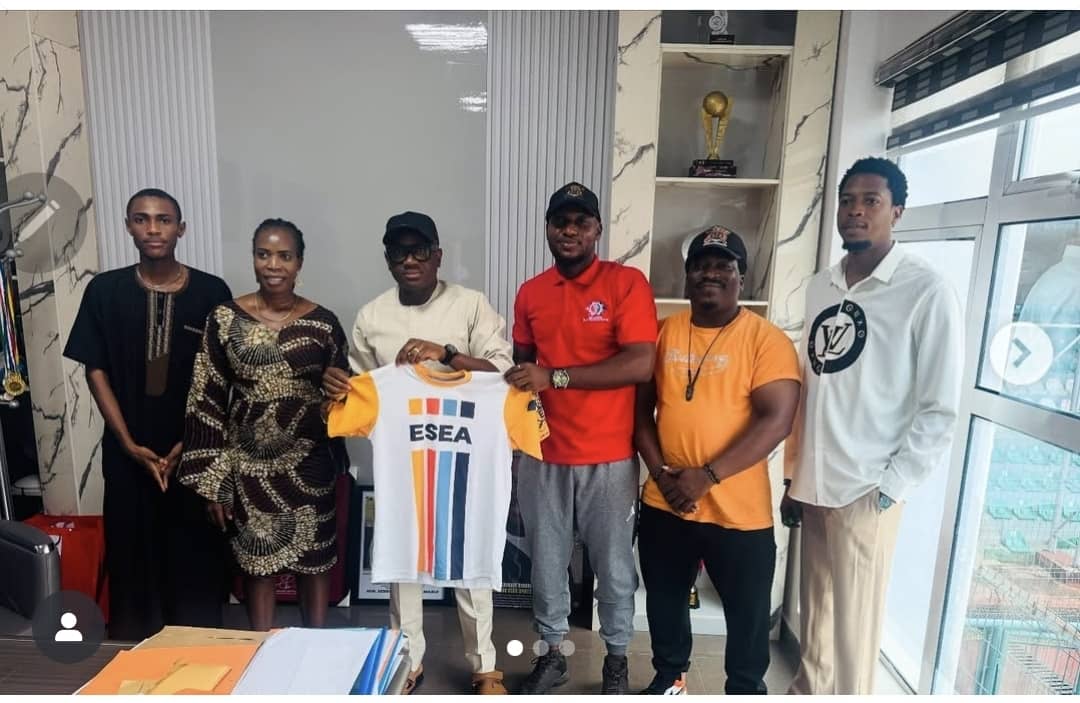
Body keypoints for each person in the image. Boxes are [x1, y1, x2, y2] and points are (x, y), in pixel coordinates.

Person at [782, 157, 963, 694]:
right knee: (815, 624)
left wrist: (890, 488)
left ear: (897, 211)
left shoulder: (925, 290)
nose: (855, 211)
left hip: (866, 487)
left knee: (853, 636)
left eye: (871, 201)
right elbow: (811, 387)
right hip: (815, 482)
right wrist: (794, 476)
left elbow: (940, 407)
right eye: (847, 201)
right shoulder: (821, 286)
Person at [322, 211, 514, 695]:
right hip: (406, 458)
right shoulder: (372, 316)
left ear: (438, 256)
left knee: (469, 553)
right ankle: (407, 660)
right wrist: (337, 388)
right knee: (402, 554)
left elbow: (502, 373)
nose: (409, 260)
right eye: (398, 252)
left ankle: (485, 666)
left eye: (419, 250)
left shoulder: (470, 305)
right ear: (387, 259)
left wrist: (445, 354)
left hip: (465, 454)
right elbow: (362, 390)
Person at [505, 182, 658, 695]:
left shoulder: (625, 283)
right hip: (543, 454)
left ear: (597, 230)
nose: (569, 231)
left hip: (609, 457)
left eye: (580, 222)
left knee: (614, 569)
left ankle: (616, 660)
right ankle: (552, 655)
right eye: (560, 222)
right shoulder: (531, 292)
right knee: (546, 567)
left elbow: (640, 363)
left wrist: (557, 377)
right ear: (548, 228)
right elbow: (523, 369)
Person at [634, 226, 801, 694]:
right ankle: (670, 680)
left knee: (747, 617)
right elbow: (639, 413)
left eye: (723, 265)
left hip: (739, 513)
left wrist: (707, 476)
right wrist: (660, 475)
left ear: (740, 278)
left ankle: (744, 690)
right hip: (666, 502)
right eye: (700, 265)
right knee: (665, 602)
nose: (710, 273)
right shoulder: (663, 332)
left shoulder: (766, 340)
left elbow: (776, 421)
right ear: (687, 277)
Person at [63, 188, 232, 641]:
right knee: (131, 552)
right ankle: (135, 653)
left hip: (193, 451)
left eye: (163, 220)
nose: (153, 229)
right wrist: (127, 443)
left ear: (181, 228)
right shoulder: (105, 291)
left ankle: (202, 651)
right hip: (127, 449)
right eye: (142, 219)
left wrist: (189, 442)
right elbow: (95, 369)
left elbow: (221, 376)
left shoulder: (212, 292)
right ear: (128, 227)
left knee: (194, 554)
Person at [178, 217, 349, 632]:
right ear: (253, 258)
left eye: (284, 256)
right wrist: (215, 479)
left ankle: (314, 646)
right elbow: (205, 399)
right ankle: (261, 653)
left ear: (300, 262)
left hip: (310, 465)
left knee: (315, 562)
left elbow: (345, 397)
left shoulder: (323, 323)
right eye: (264, 254)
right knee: (257, 566)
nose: (274, 265)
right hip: (249, 467)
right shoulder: (224, 319)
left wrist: (339, 386)